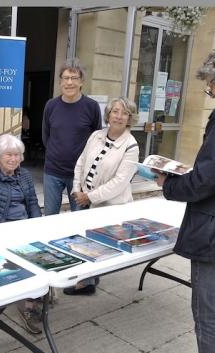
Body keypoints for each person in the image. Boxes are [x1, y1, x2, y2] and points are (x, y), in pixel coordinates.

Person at [155, 40, 215, 353]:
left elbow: (213, 175)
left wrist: (170, 184)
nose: (209, 92)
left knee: (211, 315)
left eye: (210, 84)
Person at [63, 97, 140, 296]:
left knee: (96, 245)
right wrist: (76, 188)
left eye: (124, 113)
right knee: (80, 240)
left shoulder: (131, 146)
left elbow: (119, 183)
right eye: (115, 111)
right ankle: (85, 280)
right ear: (108, 114)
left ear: (130, 118)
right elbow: (81, 162)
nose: (119, 116)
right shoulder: (96, 135)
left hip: (107, 205)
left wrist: (89, 197)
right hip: (83, 198)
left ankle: (87, 282)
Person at [0, 134, 42, 334]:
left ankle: (33, 298)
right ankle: (26, 303)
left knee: (39, 256)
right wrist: (7, 230)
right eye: (8, 155)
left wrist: (37, 225)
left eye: (17, 155)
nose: (14, 159)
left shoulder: (25, 175)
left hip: (23, 226)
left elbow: (32, 203)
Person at [42, 58, 102, 216]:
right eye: (65, 78)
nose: (69, 82)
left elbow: (97, 139)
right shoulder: (51, 105)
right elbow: (46, 136)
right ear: (60, 82)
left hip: (80, 174)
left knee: (78, 218)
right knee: (49, 217)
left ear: (81, 81)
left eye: (74, 78)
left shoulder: (92, 107)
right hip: (52, 172)